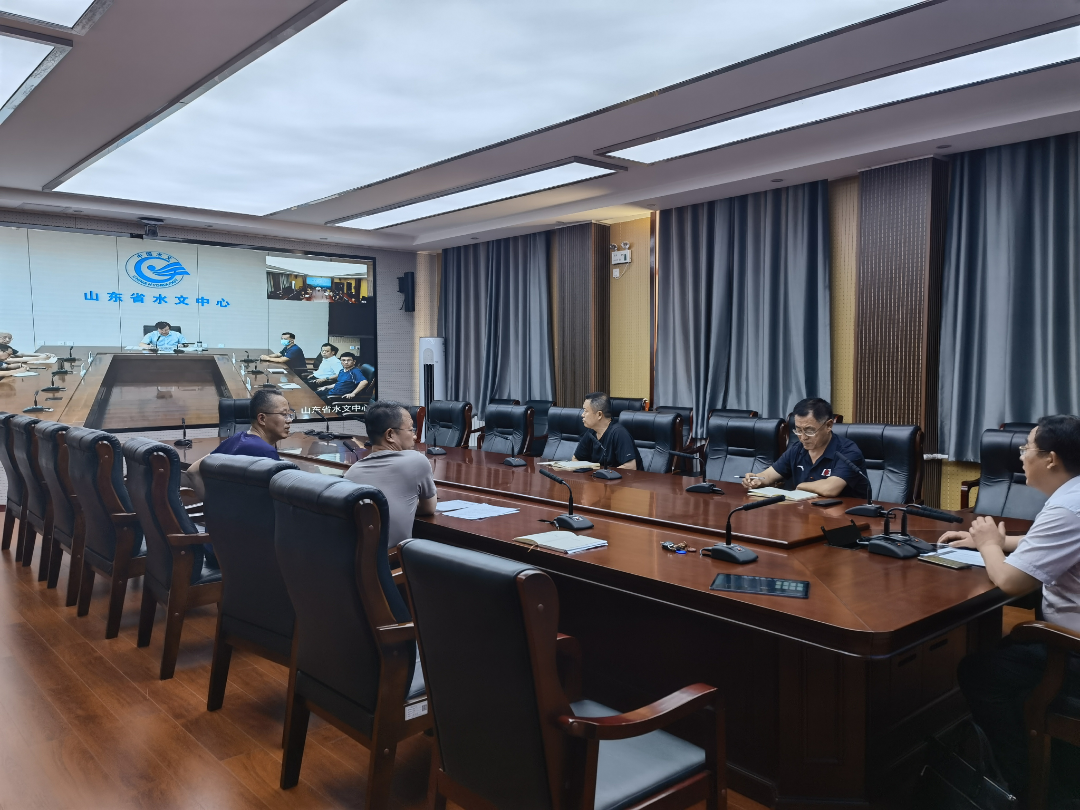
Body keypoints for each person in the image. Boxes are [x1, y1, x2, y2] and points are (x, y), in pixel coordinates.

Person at [940, 415, 1080, 799]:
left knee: (979, 671)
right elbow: (1049, 543)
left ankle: (1030, 785)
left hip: (1071, 652)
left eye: (1026, 448)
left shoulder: (1066, 509)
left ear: (1050, 459)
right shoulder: (1073, 497)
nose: (1021, 456)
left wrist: (988, 545)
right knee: (1005, 648)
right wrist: (996, 543)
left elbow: (1012, 582)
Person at [343, 401, 436, 548]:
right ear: (390, 434)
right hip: (391, 558)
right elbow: (428, 508)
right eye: (411, 430)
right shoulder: (416, 461)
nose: (414, 436)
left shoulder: (351, 472)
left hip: (354, 559)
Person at [741, 397, 867, 497]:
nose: (803, 437)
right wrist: (756, 479)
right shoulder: (797, 449)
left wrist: (801, 486)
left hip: (846, 516)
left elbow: (830, 488)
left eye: (809, 431)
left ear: (828, 425)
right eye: (798, 430)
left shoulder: (848, 451)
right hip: (807, 513)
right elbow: (769, 475)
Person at [184, 389, 293, 501]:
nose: (289, 420)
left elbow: (193, 471)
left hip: (229, 511)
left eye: (289, 414)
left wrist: (212, 505)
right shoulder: (265, 452)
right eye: (284, 414)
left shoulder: (235, 439)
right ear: (262, 419)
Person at [572, 392, 642, 470]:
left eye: (586, 411)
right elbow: (576, 459)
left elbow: (630, 467)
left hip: (622, 477)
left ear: (599, 415)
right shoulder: (591, 433)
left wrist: (601, 474)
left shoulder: (619, 433)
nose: (582, 415)